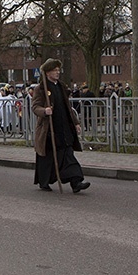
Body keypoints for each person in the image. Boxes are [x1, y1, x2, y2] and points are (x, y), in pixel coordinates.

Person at [32, 58, 90, 193]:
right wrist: (44, 111)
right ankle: (44, 181)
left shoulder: (62, 87)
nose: (58, 72)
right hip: (49, 129)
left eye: (58, 70)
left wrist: (76, 123)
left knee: (68, 154)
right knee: (47, 158)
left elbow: (68, 107)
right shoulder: (41, 88)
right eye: (54, 70)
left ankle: (76, 182)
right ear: (47, 73)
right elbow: (35, 107)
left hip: (63, 127)